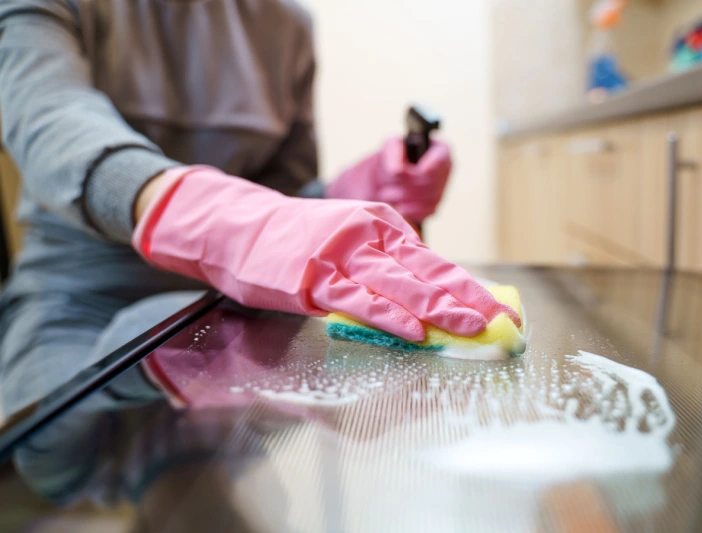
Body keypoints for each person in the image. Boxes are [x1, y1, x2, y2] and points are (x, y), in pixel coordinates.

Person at [0, 0, 520, 418]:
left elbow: (281, 196)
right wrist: (210, 217)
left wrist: (356, 189)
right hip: (76, 308)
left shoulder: (287, 24)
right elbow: (50, 122)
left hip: (224, 310)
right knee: (54, 467)